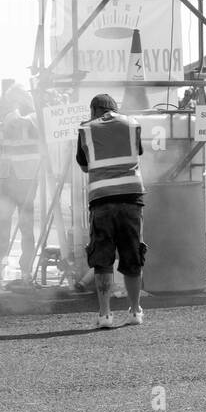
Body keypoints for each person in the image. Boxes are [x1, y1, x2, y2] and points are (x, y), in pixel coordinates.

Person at [76, 93, 146, 329]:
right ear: (115, 109)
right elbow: (138, 153)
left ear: (94, 110)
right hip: (131, 199)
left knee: (103, 258)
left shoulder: (86, 129)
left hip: (102, 200)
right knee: (132, 255)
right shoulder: (132, 125)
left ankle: (105, 314)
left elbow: (85, 165)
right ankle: (135, 311)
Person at [0, 88, 39, 284]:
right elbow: (0, 150)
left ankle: (26, 270)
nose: (8, 104)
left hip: (26, 179)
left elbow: (18, 123)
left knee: (26, 227)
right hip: (8, 178)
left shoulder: (33, 117)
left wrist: (15, 108)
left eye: (11, 100)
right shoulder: (8, 118)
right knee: (0, 225)